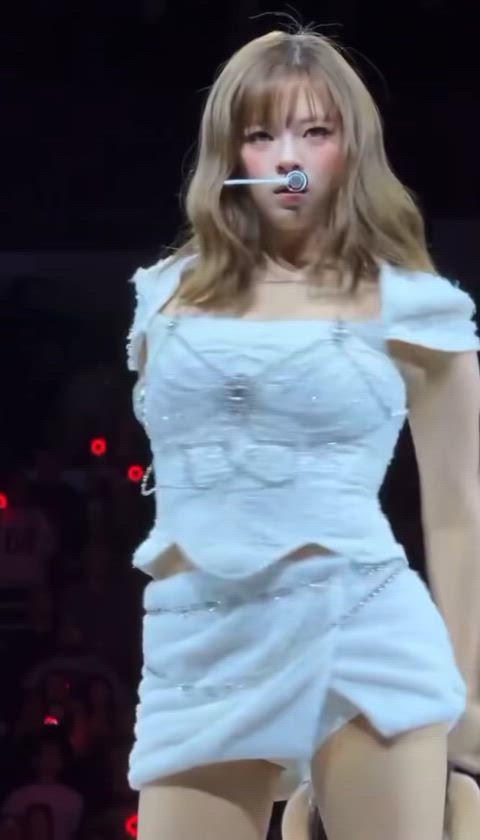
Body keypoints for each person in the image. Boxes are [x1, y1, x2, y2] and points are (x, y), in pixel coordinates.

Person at [124, 26, 480, 840]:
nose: (288, 157)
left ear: (352, 149)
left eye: (315, 132)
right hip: (197, 642)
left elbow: (460, 512)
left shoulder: (415, 306)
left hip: (361, 630)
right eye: (262, 133)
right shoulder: (164, 298)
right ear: (230, 151)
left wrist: (471, 708)